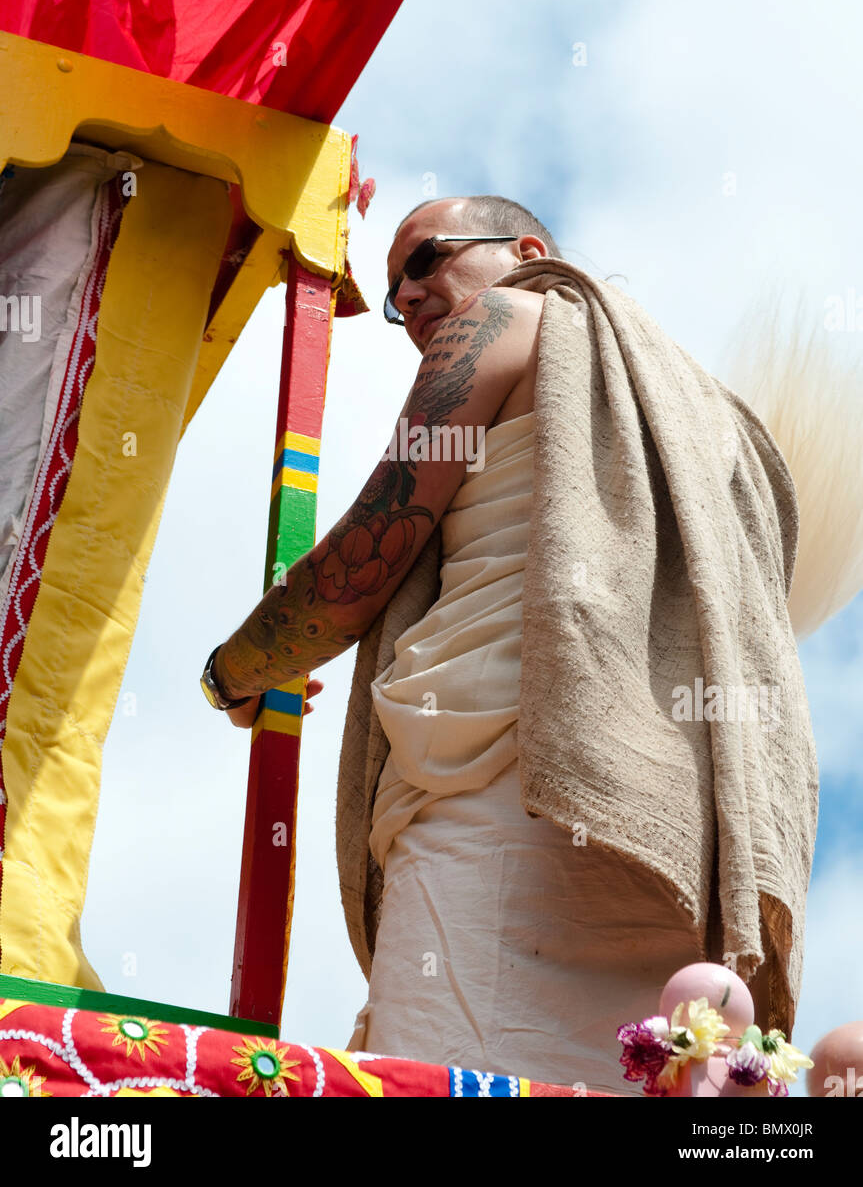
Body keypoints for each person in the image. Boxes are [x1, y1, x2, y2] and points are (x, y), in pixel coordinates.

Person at [200, 194, 775, 1094]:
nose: (409, 301)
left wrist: (234, 669)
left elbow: (370, 544)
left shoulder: (506, 314)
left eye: (426, 260)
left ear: (526, 249)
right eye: (393, 296)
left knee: (447, 1072)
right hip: (659, 819)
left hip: (497, 796)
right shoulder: (705, 409)